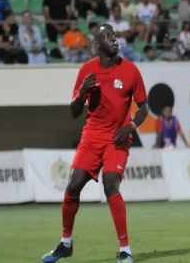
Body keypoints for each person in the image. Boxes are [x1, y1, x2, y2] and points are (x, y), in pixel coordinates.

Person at [41, 24, 149, 263]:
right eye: (107, 36)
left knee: (111, 184)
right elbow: (73, 112)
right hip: (92, 135)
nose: (113, 38)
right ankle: (65, 243)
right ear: (98, 44)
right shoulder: (87, 71)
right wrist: (81, 93)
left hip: (117, 138)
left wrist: (130, 127)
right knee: (73, 185)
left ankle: (125, 250)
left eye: (114, 35)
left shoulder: (131, 71)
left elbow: (144, 108)